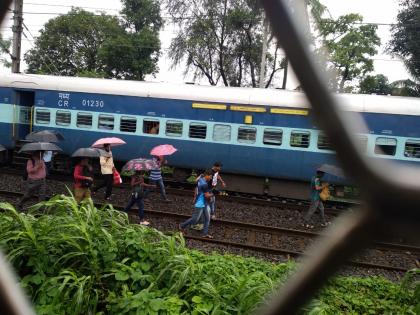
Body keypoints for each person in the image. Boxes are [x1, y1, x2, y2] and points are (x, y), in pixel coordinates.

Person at [179, 169, 214, 238]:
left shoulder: (200, 179)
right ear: (207, 175)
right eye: (210, 176)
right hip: (200, 203)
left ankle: (205, 234)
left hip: (204, 202)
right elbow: (206, 195)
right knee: (195, 219)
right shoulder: (205, 185)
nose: (211, 178)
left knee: (207, 218)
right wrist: (212, 194)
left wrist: (195, 196)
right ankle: (182, 225)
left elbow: (196, 184)